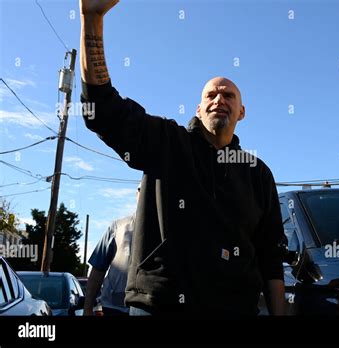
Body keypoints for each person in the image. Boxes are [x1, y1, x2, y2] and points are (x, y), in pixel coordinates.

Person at [79, 0, 286, 316]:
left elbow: (270, 256)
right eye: (210, 95)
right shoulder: (167, 143)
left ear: (241, 111)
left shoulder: (258, 173)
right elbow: (103, 111)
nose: (219, 99)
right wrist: (92, 19)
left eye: (228, 95)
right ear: (199, 109)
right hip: (160, 306)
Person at [83, 184, 140, 316]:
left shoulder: (167, 229)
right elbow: (98, 270)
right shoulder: (118, 227)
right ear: (137, 194)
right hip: (116, 308)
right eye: (142, 190)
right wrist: (87, 309)